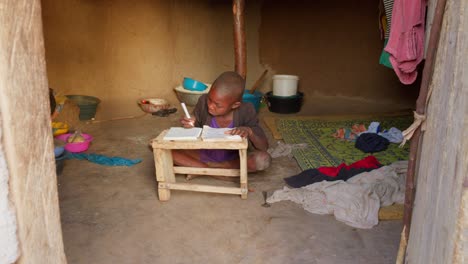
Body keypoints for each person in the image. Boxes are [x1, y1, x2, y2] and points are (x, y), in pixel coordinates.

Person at [172, 71, 271, 180]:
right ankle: (213, 170)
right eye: (210, 99)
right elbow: (195, 125)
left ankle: (202, 168)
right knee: (162, 149)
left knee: (262, 159)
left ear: (235, 105)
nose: (210, 106)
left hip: (233, 159)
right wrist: (191, 122)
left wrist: (249, 131)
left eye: (217, 105)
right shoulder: (203, 101)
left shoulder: (246, 110)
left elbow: (263, 147)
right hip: (203, 154)